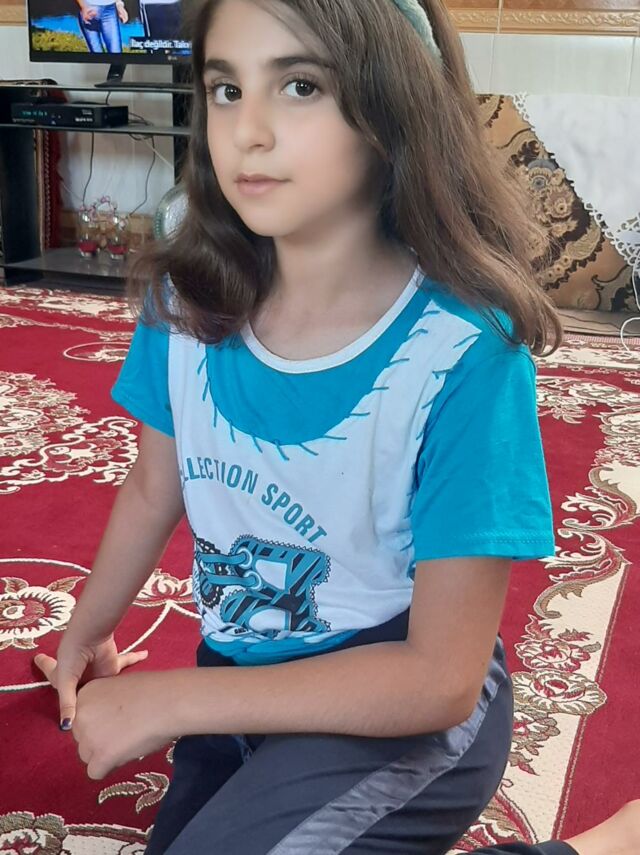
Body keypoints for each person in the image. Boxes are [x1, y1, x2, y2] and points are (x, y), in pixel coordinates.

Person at [33, 0, 639, 853]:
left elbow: (440, 678)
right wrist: (87, 631)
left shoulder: (463, 352)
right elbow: (150, 486)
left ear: (393, 110)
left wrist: (173, 699)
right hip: (247, 692)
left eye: (300, 86)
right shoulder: (186, 303)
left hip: (399, 706)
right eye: (226, 89)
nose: (248, 132)